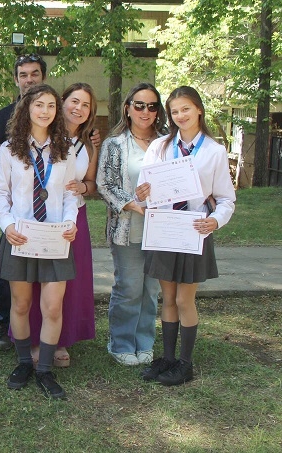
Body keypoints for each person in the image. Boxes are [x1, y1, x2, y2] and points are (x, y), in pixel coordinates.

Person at [137, 86, 235, 386]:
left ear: (199, 110)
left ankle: (185, 363)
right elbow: (145, 189)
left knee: (183, 299)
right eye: (175, 111)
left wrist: (215, 221)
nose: (180, 116)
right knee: (166, 297)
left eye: (186, 109)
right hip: (165, 228)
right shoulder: (160, 147)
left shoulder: (215, 152)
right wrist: (142, 193)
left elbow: (226, 198)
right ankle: (167, 358)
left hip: (194, 230)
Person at [0, 84, 78, 400]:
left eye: (52, 106)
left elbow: (69, 192)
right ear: (27, 108)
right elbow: (0, 193)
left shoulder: (64, 148)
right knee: (21, 303)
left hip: (55, 237)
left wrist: (70, 221)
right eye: (39, 104)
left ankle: (44, 370)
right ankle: (25, 362)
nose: (45, 111)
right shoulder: (9, 149)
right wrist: (8, 224)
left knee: (53, 306)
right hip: (21, 235)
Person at [27, 83, 98, 367]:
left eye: (86, 105)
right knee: (34, 281)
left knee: (67, 282)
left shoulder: (89, 144)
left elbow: (91, 184)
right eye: (74, 101)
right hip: (39, 215)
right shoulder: (41, 135)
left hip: (72, 217)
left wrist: (82, 186)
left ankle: (61, 340)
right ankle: (34, 338)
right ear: (61, 102)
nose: (78, 108)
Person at [97, 83, 167, 366]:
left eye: (152, 106)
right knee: (129, 287)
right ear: (128, 108)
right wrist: (132, 204)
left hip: (161, 230)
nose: (145, 111)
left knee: (151, 290)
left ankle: (144, 341)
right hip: (127, 228)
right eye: (139, 105)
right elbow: (104, 184)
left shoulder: (167, 142)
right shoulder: (115, 144)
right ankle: (121, 342)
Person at [0, 53, 48, 351]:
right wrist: (16, 145)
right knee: (8, 273)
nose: (29, 79)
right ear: (16, 79)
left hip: (48, 211)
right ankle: (3, 325)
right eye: (23, 74)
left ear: (42, 77)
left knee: (46, 276)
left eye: (34, 74)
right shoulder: (4, 115)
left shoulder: (52, 113)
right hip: (16, 209)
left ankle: (39, 330)